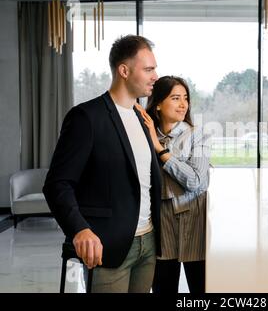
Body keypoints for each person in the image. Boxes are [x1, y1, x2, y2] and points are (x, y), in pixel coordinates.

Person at [43, 35, 162, 292]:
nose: (155, 76)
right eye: (149, 69)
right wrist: (80, 229)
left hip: (148, 242)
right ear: (124, 70)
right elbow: (57, 184)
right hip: (108, 245)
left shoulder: (142, 119)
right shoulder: (86, 117)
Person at [135, 76, 210, 293]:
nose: (183, 104)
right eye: (175, 98)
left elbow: (196, 181)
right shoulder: (143, 136)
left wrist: (161, 151)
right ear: (158, 103)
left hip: (194, 222)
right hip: (160, 223)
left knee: (200, 289)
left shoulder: (199, 136)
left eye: (185, 98)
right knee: (163, 287)